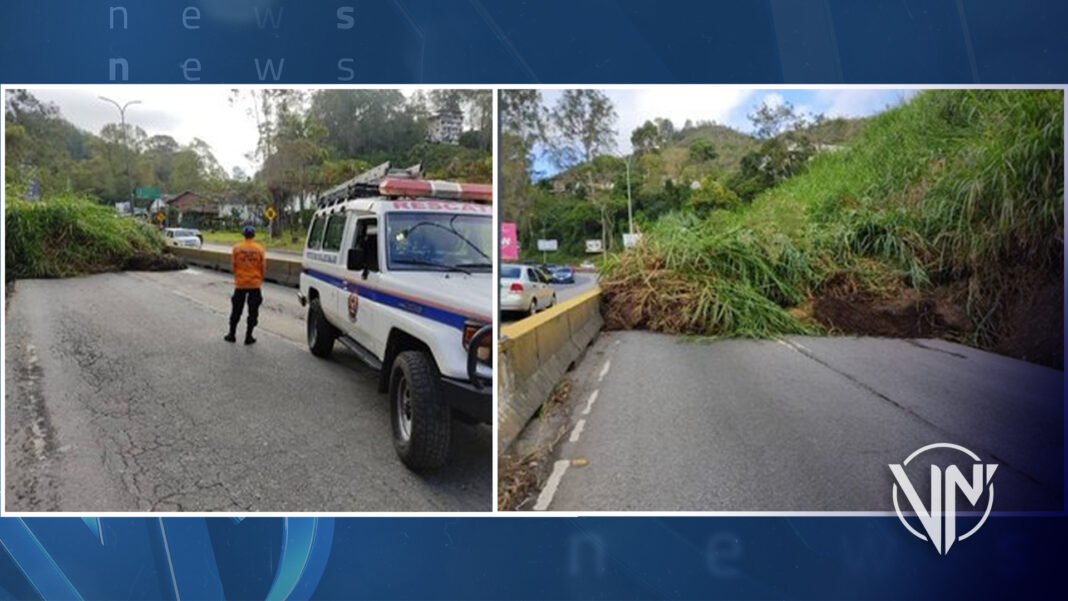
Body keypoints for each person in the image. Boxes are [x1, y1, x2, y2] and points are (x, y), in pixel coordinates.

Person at [225, 225, 267, 345]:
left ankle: (232, 335)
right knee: (253, 312)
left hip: (240, 284)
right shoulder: (259, 249)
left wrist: (238, 277)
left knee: (236, 310)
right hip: (255, 284)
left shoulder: (237, 248)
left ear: (243, 235)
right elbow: (263, 267)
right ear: (254, 235)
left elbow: (234, 265)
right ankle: (249, 336)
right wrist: (259, 279)